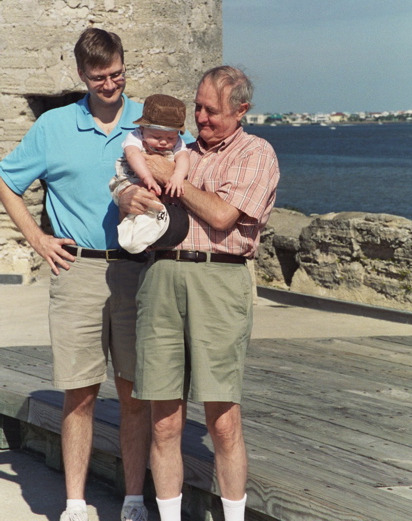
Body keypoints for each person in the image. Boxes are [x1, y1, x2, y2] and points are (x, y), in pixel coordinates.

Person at [0, 28, 185, 521]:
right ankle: (76, 504)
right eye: (100, 77)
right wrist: (36, 239)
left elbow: (189, 166)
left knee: (133, 393)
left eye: (118, 73)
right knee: (79, 394)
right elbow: (5, 179)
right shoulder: (54, 126)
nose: (111, 84)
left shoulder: (153, 119)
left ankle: (131, 500)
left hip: (141, 273)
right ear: (82, 75)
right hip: (77, 269)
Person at [122, 66, 280, 521]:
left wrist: (176, 177)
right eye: (197, 106)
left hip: (219, 281)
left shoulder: (257, 153)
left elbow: (222, 215)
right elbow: (132, 187)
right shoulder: (179, 150)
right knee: (164, 420)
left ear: (242, 110)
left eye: (212, 110)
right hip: (161, 279)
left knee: (223, 421)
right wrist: (126, 197)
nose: (201, 118)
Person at [109, 94, 190, 254]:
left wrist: (178, 176)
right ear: (143, 128)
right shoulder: (135, 136)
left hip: (159, 185)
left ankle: (149, 239)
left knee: (153, 211)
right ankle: (133, 238)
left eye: (170, 137)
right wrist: (146, 177)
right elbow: (133, 154)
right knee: (136, 205)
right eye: (156, 136)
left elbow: (184, 157)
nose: (164, 142)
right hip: (131, 178)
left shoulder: (178, 142)